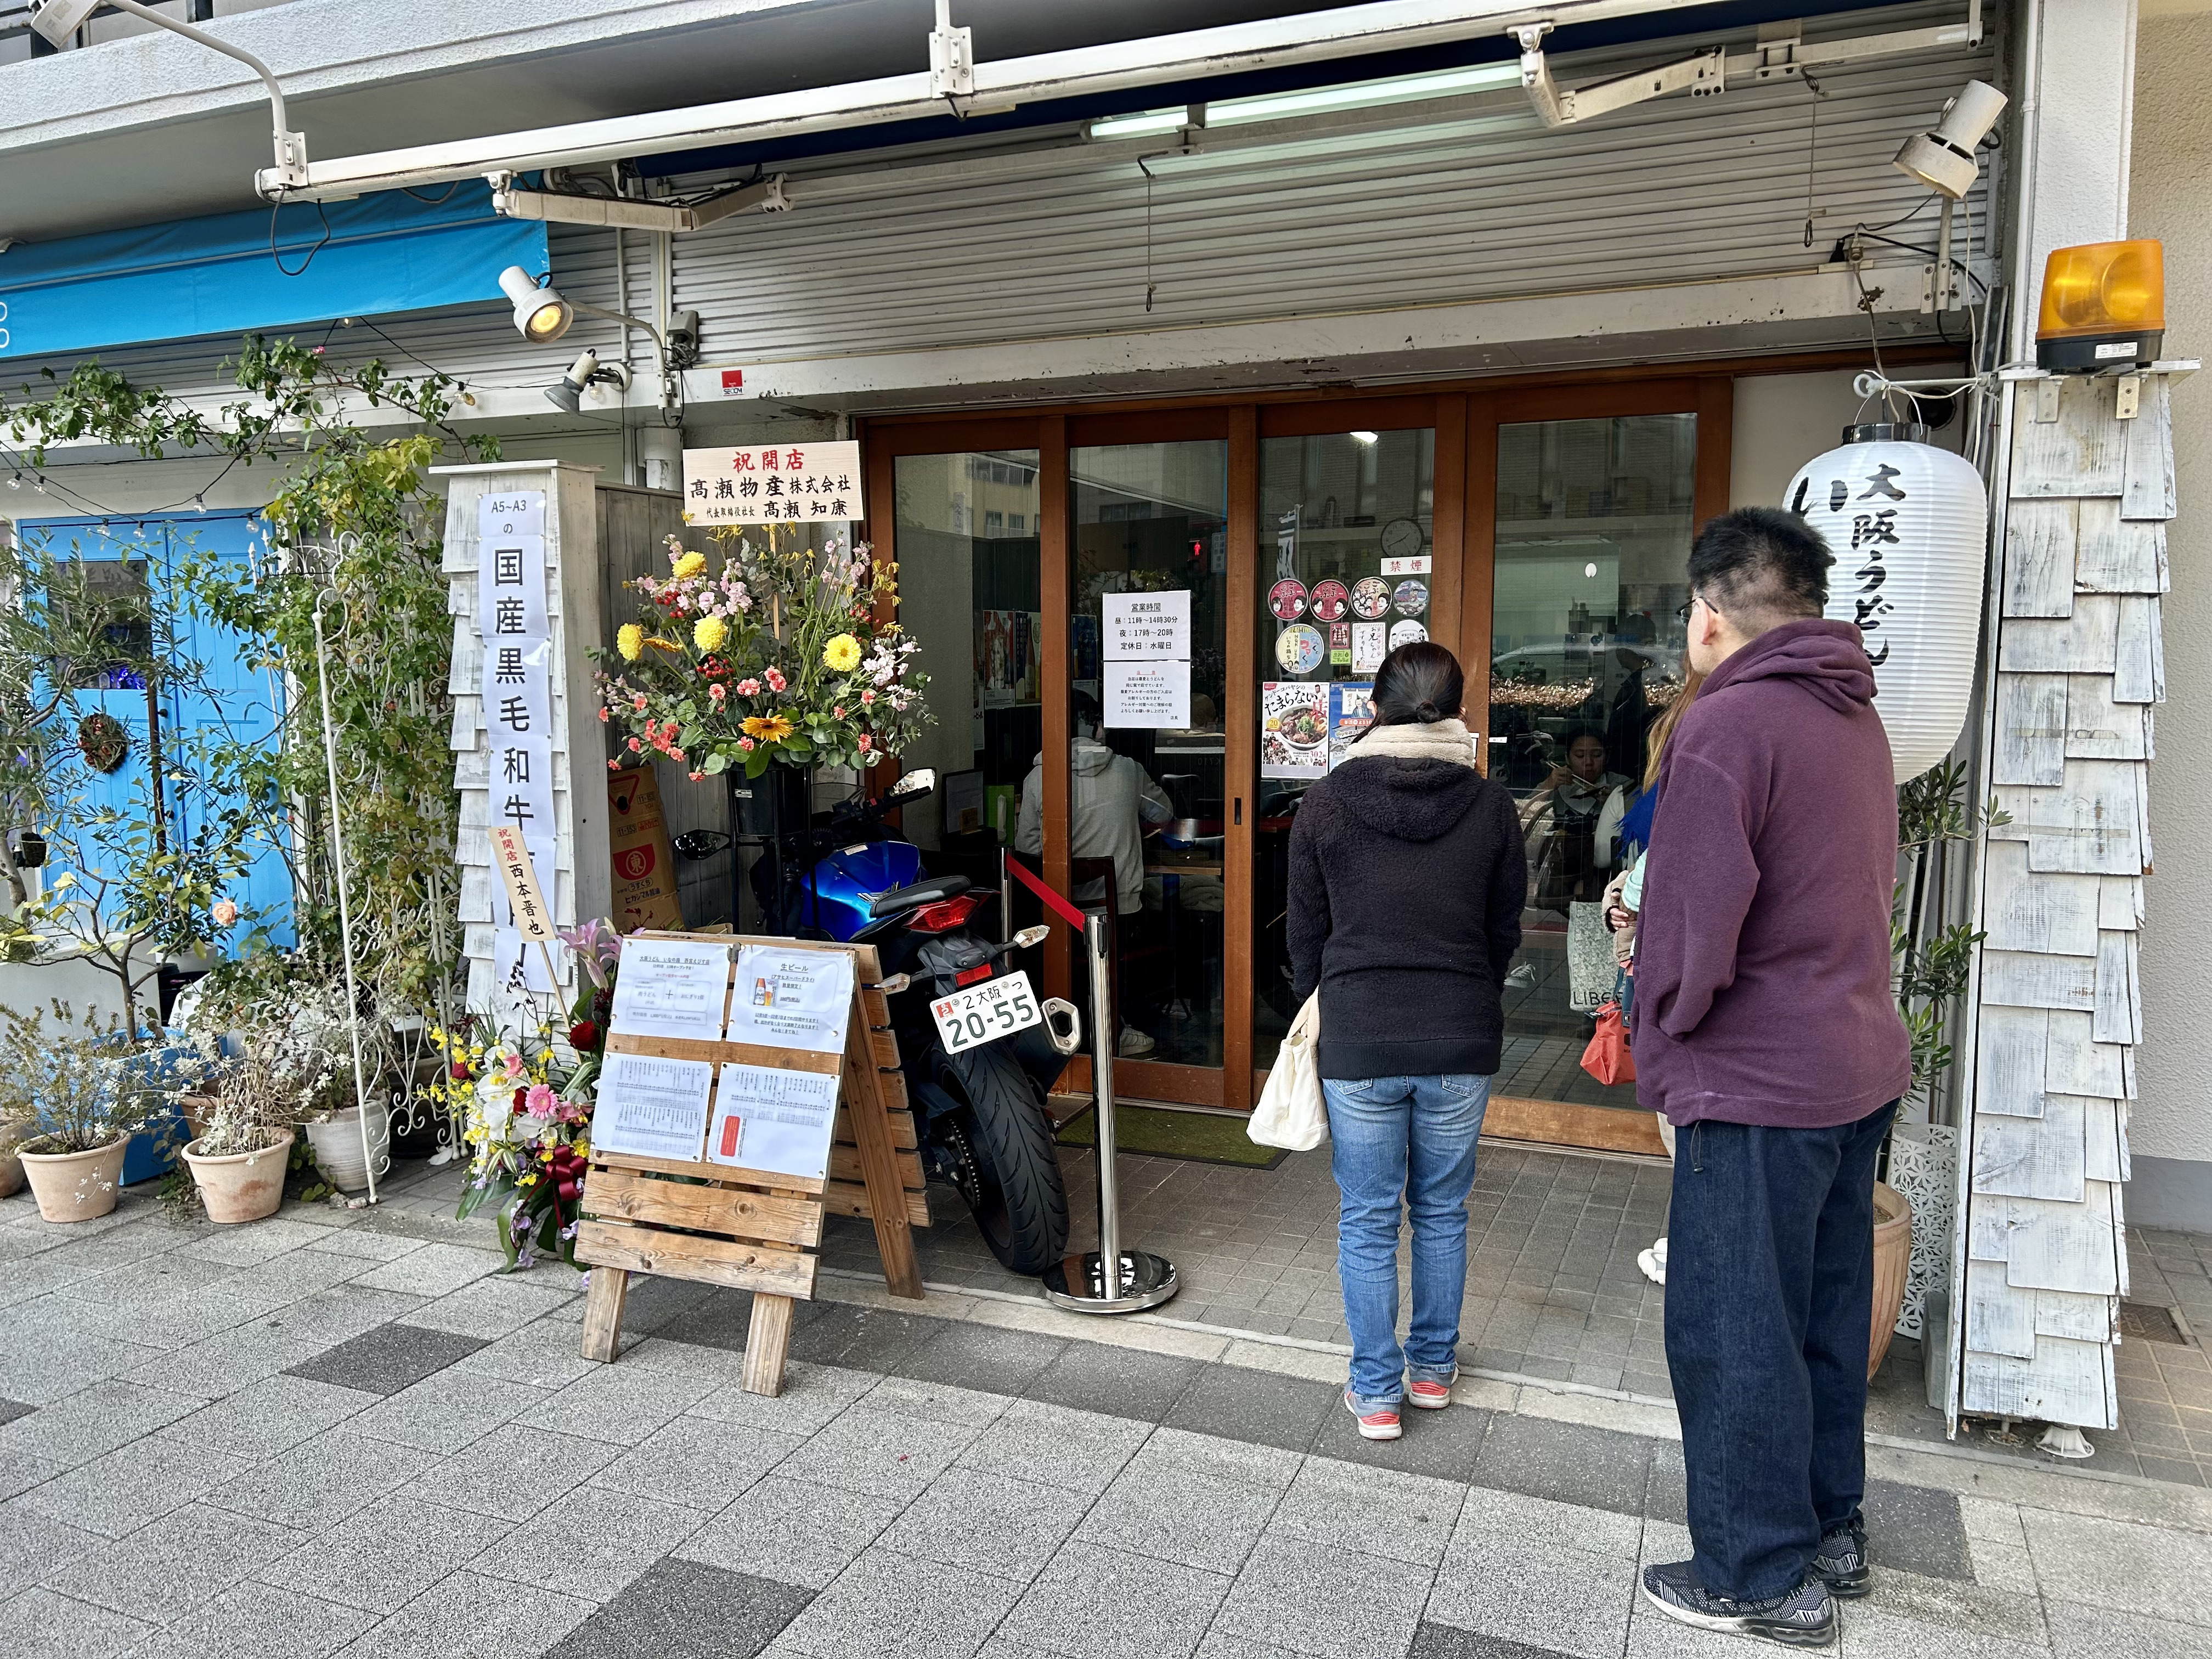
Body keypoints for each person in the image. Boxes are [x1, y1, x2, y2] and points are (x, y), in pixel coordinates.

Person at [1632, 508, 1910, 1648]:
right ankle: (1827, 1529)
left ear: (1708, 613)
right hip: (1854, 1059)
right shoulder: (1853, 711)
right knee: (1824, 1314)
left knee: (1733, 1325)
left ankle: (1754, 1574)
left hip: (1757, 1075)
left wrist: (1664, 1027)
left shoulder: (1730, 722)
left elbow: (1693, 927)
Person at [1286, 642, 1527, 1442]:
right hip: (1459, 1033)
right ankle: (1431, 1371)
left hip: (1359, 1035)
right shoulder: (1491, 808)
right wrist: (1470, 998)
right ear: (1459, 709)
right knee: (1443, 1212)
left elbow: (1304, 936)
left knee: (1365, 1217)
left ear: (1374, 708)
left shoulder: (1323, 802)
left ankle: (1376, 1392)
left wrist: (1327, 1009)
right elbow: (1504, 932)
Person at [1594, 667, 1705, 1286]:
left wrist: (1629, 909)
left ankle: (1689, 1243)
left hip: (1673, 978)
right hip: (1670, 966)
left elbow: (1650, 872)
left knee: (1683, 1118)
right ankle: (1689, 1237)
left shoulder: (1685, 791)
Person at [1016, 690, 1173, 1058]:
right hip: (1118, 909)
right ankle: (1114, 1028)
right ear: (1096, 727)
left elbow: (1027, 848)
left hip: (1058, 908)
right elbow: (1163, 814)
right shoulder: (1128, 770)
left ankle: (1061, 1029)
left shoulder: (1037, 779)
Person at [1520, 726, 1629, 910]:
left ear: (1607, 756)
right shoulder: (1556, 784)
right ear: (1567, 758)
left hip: (1607, 873)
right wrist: (1549, 785)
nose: (1588, 763)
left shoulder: (1621, 786)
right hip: (1560, 871)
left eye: (1596, 755)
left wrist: (1616, 802)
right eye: (1579, 756)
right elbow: (1524, 817)